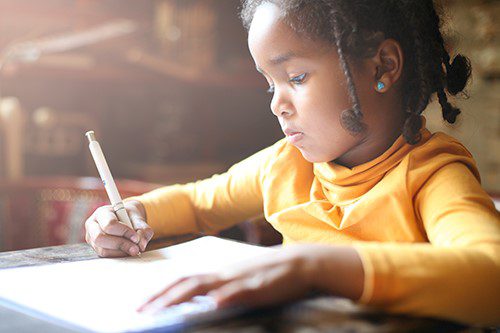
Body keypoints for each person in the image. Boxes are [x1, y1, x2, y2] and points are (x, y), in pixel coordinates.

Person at [84, 0, 500, 326]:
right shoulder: (286, 166)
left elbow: (491, 277)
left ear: (382, 66)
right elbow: (196, 203)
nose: (277, 105)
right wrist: (129, 215)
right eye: (270, 84)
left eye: (296, 78)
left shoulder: (431, 176)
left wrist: (314, 267)